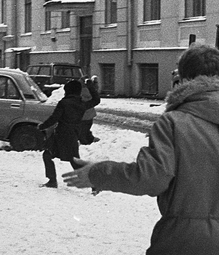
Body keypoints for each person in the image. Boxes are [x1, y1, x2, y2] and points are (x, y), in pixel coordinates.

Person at [63, 44, 219, 254]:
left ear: (183, 79)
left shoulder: (174, 123)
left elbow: (152, 178)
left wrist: (98, 173)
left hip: (188, 241)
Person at [38, 78, 100, 188]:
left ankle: (94, 183)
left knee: (52, 156)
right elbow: (96, 100)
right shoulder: (82, 104)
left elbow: (54, 118)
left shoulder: (64, 103)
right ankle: (93, 183)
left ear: (68, 91)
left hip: (61, 135)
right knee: (71, 160)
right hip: (72, 135)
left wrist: (42, 126)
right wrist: (90, 87)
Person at [79, 75, 100, 145]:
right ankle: (87, 141)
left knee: (83, 130)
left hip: (82, 116)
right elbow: (96, 99)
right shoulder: (89, 90)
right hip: (87, 116)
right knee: (84, 130)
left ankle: (87, 140)